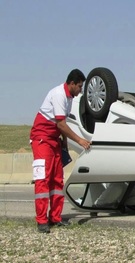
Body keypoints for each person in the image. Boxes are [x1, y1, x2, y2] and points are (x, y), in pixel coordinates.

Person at [30, 69, 91, 233]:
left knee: (57, 180)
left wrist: (64, 143)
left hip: (54, 140)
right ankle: (42, 221)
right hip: (42, 139)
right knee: (43, 179)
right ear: (71, 84)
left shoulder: (69, 98)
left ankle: (55, 218)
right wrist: (79, 140)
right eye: (79, 86)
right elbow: (60, 124)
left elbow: (63, 123)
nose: (80, 90)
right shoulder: (59, 95)